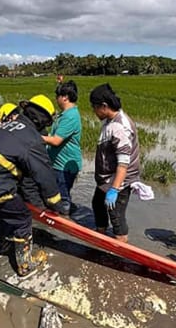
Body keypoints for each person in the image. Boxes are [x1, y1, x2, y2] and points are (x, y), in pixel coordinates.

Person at [0, 95, 66, 277]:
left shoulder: (8, 126)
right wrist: (55, 204)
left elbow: (26, 179)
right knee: (22, 216)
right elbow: (44, 176)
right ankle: (24, 265)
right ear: (42, 121)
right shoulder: (33, 139)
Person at [89, 83, 140, 243]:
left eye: (94, 107)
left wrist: (114, 190)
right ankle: (100, 236)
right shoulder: (110, 120)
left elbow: (123, 163)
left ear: (104, 106)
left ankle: (121, 247)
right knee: (98, 204)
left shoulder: (120, 126)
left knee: (116, 217)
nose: (93, 111)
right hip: (107, 180)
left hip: (118, 181)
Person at [42, 81, 82, 216]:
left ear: (64, 97)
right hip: (59, 164)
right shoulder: (64, 114)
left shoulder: (70, 116)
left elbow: (56, 140)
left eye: (57, 96)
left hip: (64, 166)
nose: (56, 99)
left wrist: (35, 137)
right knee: (59, 194)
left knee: (63, 200)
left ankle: (65, 222)